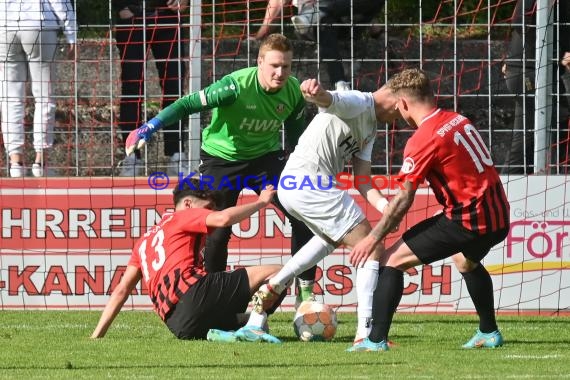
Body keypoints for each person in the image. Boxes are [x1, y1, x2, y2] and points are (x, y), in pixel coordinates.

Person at [125, 33, 317, 304]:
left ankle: (305, 295)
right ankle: (214, 297)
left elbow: (297, 138)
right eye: (274, 65)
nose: (280, 72)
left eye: (286, 66)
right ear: (260, 62)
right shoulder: (234, 87)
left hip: (265, 159)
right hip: (221, 160)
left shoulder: (294, 91)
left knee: (303, 214)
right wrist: (151, 126)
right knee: (217, 232)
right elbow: (187, 103)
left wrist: (304, 167)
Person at [347, 68, 511, 351]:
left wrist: (373, 237)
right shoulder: (458, 119)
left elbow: (404, 198)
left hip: (468, 220)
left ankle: (375, 341)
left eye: (399, 109)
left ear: (404, 104)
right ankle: (489, 332)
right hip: (499, 215)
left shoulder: (424, 138)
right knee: (464, 261)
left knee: (390, 261)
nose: (400, 115)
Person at [233, 77, 401, 347]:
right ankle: (366, 335)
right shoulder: (358, 101)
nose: (401, 118)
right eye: (401, 110)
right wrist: (316, 92)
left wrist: (385, 207)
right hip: (309, 183)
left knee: (330, 239)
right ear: (395, 99)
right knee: (371, 247)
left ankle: (267, 295)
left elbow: (363, 180)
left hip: (296, 185)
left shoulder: (371, 129)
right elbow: (330, 100)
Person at [91, 178, 285, 343]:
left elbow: (121, 291)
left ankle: (230, 332)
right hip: (194, 295)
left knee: (255, 322)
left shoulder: (143, 242)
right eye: (208, 208)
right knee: (281, 272)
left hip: (180, 326)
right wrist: (261, 202)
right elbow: (223, 219)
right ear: (188, 204)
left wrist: (96, 336)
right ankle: (252, 326)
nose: (210, 213)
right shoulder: (181, 216)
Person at [112, 0, 189, 176]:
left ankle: (176, 153)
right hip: (132, 15)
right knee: (132, 87)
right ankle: (132, 155)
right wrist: (121, 6)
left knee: (174, 86)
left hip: (168, 16)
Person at [0, 0, 76, 177]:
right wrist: (71, 34)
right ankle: (40, 162)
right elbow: (59, 2)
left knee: (10, 98)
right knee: (44, 96)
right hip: (39, 25)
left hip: (4, 26)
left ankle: (15, 162)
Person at [501, 0, 570, 174]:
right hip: (529, 72)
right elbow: (520, 21)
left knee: (525, 141)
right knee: (560, 123)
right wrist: (558, 52)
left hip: (538, 69)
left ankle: (508, 189)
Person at [252, 0, 383, 91]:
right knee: (325, 22)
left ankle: (316, 12)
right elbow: (277, 5)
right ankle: (340, 83)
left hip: (349, 23)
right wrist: (260, 35)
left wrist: (373, 25)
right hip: (317, 27)